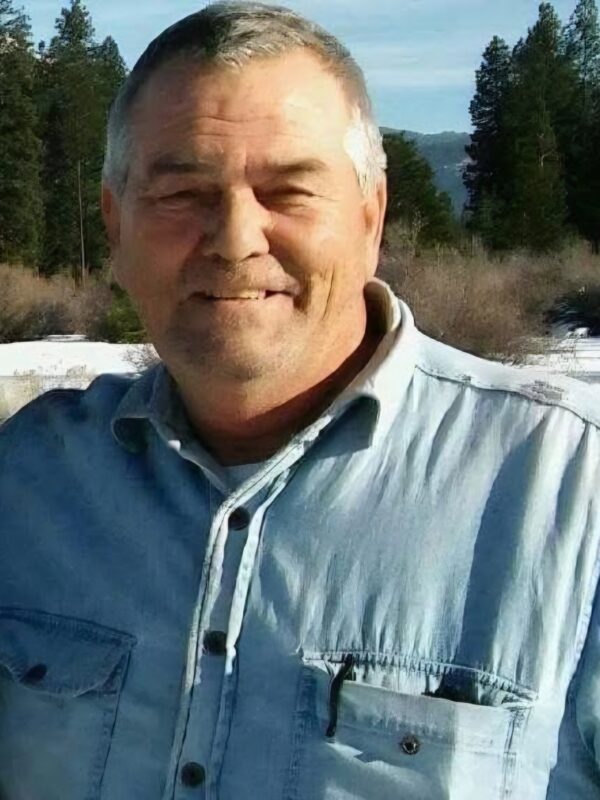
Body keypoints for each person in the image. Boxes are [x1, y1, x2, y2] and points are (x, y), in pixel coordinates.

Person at [0, 2, 599, 798]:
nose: (236, 238)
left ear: (370, 218)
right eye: (182, 193)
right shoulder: (29, 483)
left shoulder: (568, 492)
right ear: (115, 226)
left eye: (288, 192)